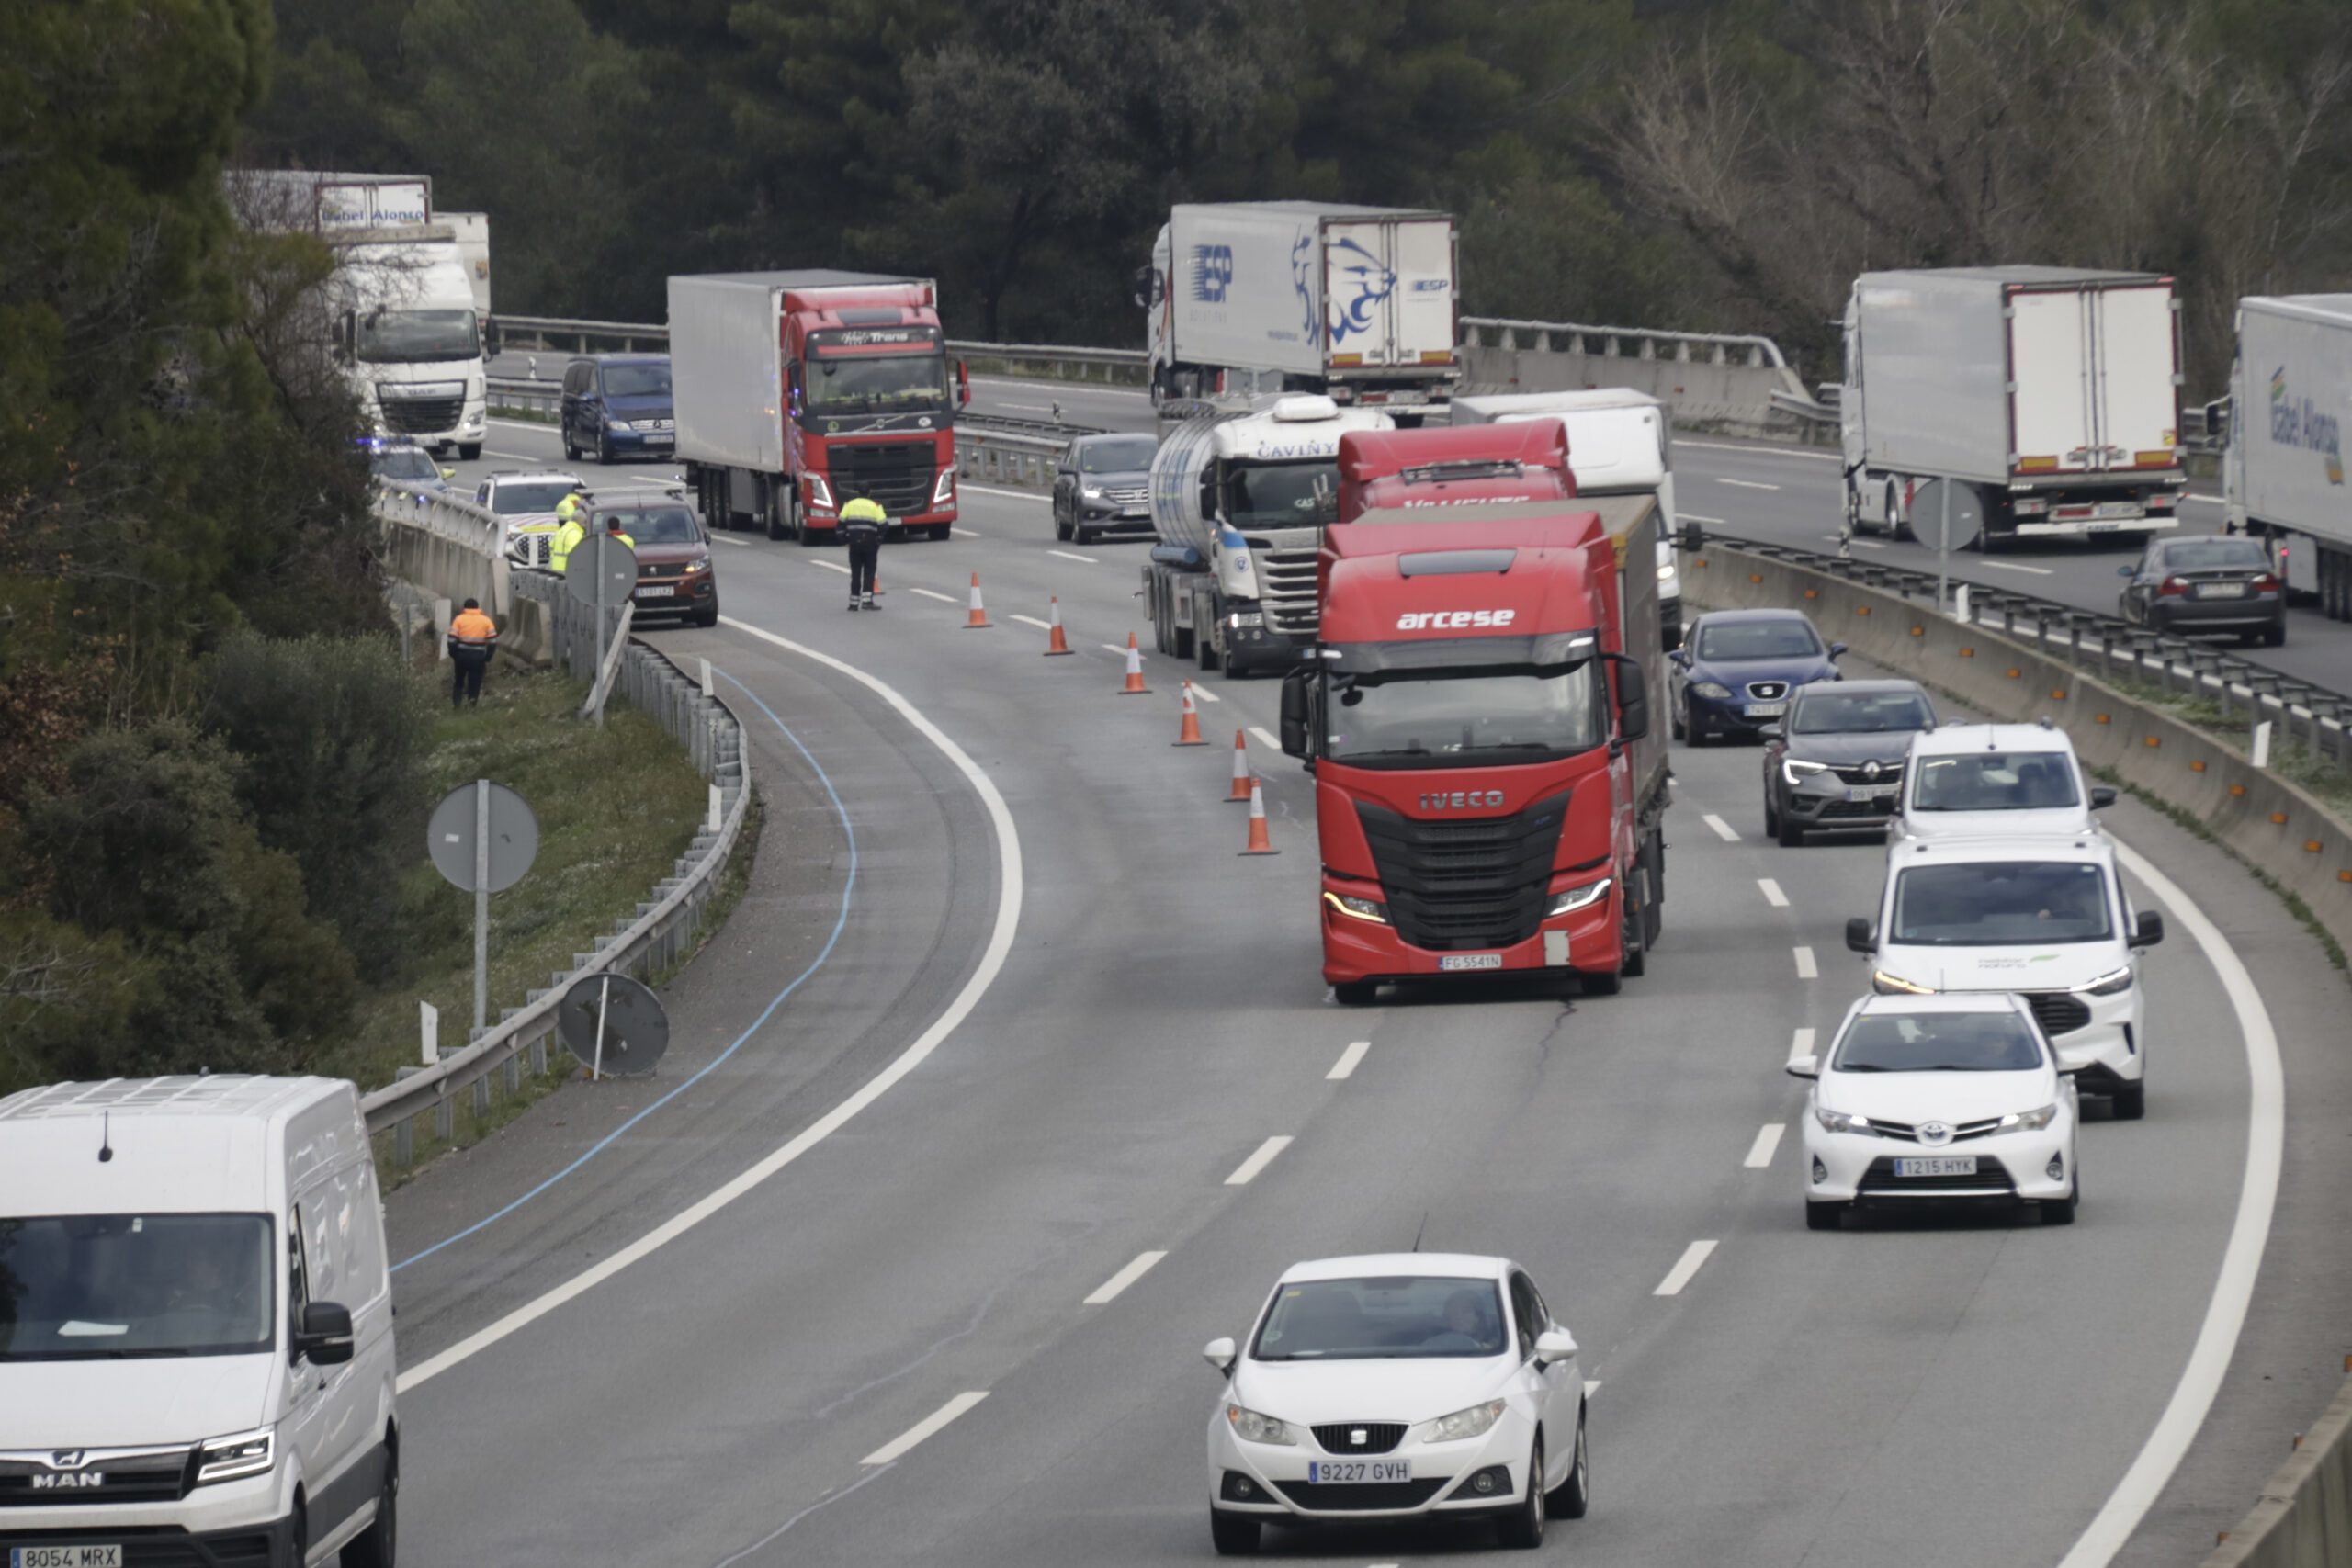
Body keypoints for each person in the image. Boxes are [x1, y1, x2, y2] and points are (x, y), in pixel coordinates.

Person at [447, 597, 499, 707]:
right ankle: (472, 705)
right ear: (477, 608)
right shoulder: (486, 620)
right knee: (475, 682)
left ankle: (457, 705)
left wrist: (453, 654)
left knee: (459, 681)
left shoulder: (459, 619)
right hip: (478, 657)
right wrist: (488, 657)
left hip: (461, 656)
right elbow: (493, 641)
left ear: (465, 608)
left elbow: (451, 640)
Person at [839, 496, 886, 611]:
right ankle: (867, 601)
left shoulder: (849, 504)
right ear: (870, 492)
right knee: (869, 572)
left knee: (855, 573)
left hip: (854, 544)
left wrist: (845, 541)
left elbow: (840, 524)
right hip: (870, 544)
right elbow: (884, 525)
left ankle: (853, 603)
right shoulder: (875, 505)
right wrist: (878, 540)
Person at [549, 486, 590, 574]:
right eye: (585, 522)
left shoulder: (562, 503)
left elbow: (551, 546)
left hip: (555, 568)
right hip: (567, 569)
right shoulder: (575, 534)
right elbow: (576, 553)